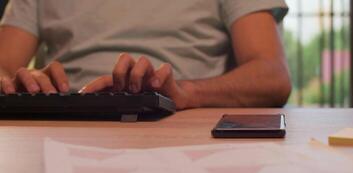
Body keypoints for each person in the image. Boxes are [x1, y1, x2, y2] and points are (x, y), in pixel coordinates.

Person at [0, 0, 292, 110]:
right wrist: (25, 82)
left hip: (180, 127)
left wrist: (185, 93)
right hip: (61, 131)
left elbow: (272, 76)